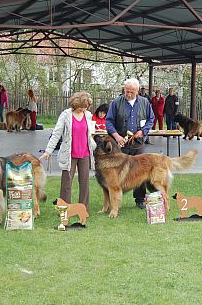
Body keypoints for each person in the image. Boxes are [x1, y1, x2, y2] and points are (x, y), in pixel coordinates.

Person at [40, 92, 96, 212]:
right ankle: (64, 209)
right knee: (66, 183)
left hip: (85, 153)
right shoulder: (66, 115)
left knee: (85, 183)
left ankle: (84, 209)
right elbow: (56, 134)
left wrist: (93, 142)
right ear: (75, 104)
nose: (84, 109)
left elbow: (90, 134)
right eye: (82, 106)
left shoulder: (88, 115)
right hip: (69, 154)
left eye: (86, 106)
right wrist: (48, 151)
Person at [106, 78, 154, 210]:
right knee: (117, 173)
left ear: (137, 91)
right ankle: (115, 201)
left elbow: (151, 119)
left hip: (138, 144)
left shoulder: (144, 102)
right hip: (121, 145)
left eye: (132, 92)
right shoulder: (116, 103)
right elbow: (109, 121)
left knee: (140, 172)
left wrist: (143, 131)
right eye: (127, 91)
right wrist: (116, 136)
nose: (128, 94)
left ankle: (140, 199)